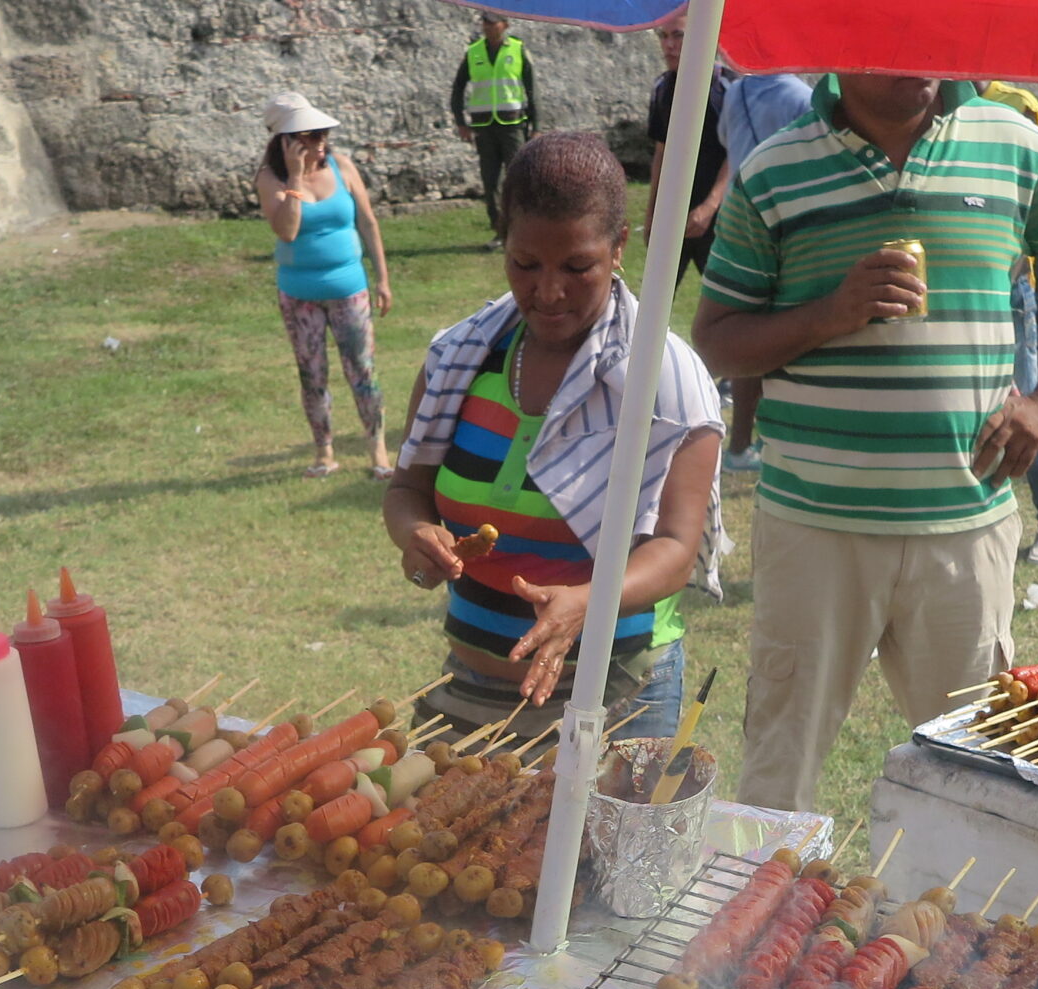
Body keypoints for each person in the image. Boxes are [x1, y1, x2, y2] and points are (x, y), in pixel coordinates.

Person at [693, 75, 1038, 813]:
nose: (917, 52)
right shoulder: (774, 170)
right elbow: (719, 342)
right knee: (777, 769)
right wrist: (831, 313)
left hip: (965, 527)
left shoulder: (1011, 142)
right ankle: (752, 920)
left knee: (979, 778)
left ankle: (964, 929)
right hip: (814, 530)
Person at [385, 132, 725, 743]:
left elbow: (675, 546)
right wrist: (416, 536)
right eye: (525, 264)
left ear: (619, 246)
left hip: (618, 694)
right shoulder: (462, 358)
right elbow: (409, 485)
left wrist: (588, 603)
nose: (548, 292)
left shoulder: (664, 380)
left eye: (577, 267)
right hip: (469, 682)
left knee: (598, 844)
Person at [256, 93, 393, 478]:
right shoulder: (270, 179)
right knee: (312, 373)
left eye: (322, 136)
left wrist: (382, 278)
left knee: (363, 370)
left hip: (349, 288)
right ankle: (324, 452)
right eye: (311, 137)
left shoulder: (343, 166)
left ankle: (378, 452)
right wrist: (296, 178)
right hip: (300, 296)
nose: (321, 145)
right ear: (286, 141)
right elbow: (287, 230)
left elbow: (368, 222)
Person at [982, 81, 1038, 568]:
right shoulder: (935, 107)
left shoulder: (1017, 106)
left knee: (1032, 401)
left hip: (1011, 285)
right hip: (965, 286)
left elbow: (1030, 199)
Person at [710, 67, 813, 478]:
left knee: (744, 339)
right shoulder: (800, 97)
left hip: (739, 222)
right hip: (786, 227)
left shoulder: (736, 91)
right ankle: (769, 443)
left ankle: (738, 445)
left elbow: (724, 141)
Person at [642, 20, 731, 281]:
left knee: (724, 306)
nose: (669, 45)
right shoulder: (662, 88)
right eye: (663, 36)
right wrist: (651, 215)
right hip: (673, 216)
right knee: (653, 300)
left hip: (719, 220)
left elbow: (738, 152)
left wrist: (710, 206)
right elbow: (662, 151)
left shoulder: (726, 88)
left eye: (678, 36)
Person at [450, 12, 538, 249]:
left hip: (512, 125)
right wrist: (460, 122)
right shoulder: (474, 52)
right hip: (484, 127)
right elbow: (458, 89)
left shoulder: (518, 50)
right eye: (485, 23)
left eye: (493, 23)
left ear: (505, 25)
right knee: (491, 182)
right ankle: (500, 232)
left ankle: (524, 231)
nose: (488, 27)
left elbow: (531, 90)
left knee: (518, 178)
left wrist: (536, 127)